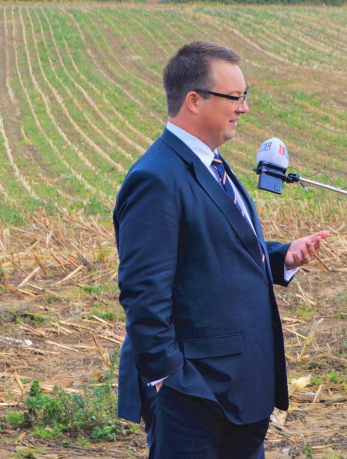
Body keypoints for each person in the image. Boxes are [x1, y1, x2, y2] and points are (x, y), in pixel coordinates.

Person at [114, 41, 329, 459]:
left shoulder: (212, 162)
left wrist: (279, 257)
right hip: (194, 396)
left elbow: (212, 247)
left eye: (245, 96)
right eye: (235, 97)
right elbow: (143, 293)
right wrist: (169, 380)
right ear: (194, 101)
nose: (244, 108)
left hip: (243, 388)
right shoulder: (156, 178)